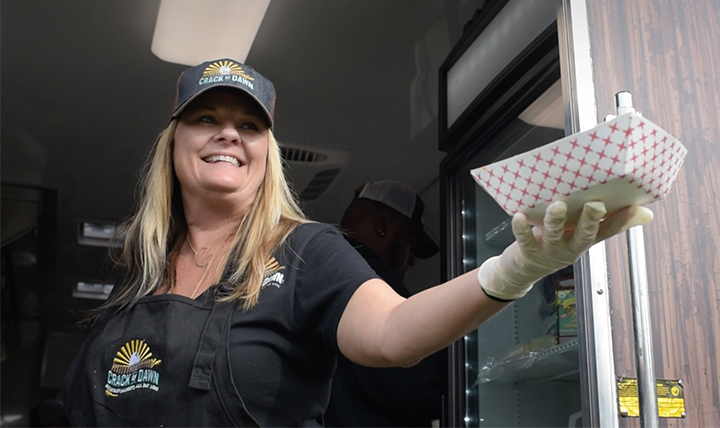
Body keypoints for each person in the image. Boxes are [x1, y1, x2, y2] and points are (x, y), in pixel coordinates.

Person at [62, 58, 653, 427]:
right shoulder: (140, 275)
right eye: (205, 118)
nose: (227, 134)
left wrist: (511, 270)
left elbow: (393, 334)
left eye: (249, 125)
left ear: (267, 152)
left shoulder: (305, 252)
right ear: (174, 141)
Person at [325, 180, 443, 427]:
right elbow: (416, 387)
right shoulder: (374, 282)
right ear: (382, 225)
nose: (412, 260)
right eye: (410, 244)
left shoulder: (323, 273)